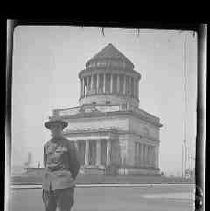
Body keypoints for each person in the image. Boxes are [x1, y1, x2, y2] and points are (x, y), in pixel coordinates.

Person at [42, 117, 80, 211]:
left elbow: (75, 165)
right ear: (50, 129)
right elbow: (46, 163)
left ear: (61, 129)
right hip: (48, 186)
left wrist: (67, 178)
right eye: (53, 127)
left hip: (64, 185)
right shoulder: (47, 145)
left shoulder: (68, 144)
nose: (55, 129)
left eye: (58, 127)